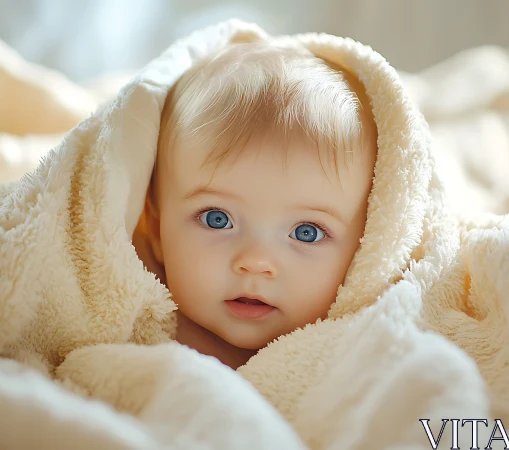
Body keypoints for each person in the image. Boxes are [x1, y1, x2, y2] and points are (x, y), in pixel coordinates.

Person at [133, 41, 378, 369]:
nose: (256, 262)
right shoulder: (128, 330)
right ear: (155, 229)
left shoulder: (361, 357)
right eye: (217, 219)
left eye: (306, 232)